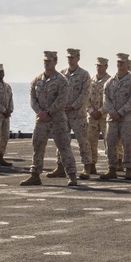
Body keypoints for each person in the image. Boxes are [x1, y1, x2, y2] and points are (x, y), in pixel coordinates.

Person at [20, 50, 79, 187]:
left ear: (55, 62)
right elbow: (32, 99)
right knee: (38, 146)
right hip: (41, 120)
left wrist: (48, 111)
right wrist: (40, 112)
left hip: (57, 119)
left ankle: (71, 175)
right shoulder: (37, 80)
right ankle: (35, 175)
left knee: (64, 147)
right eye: (45, 61)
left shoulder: (62, 80)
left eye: (49, 61)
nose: (46, 63)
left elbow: (62, 99)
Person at [50, 49, 92, 179]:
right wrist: (61, 106)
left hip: (78, 114)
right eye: (69, 57)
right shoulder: (61, 74)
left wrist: (73, 106)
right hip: (62, 114)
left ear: (78, 58)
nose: (70, 59)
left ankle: (87, 168)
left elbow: (85, 94)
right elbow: (56, 92)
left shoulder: (84, 75)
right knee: (61, 141)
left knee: (83, 141)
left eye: (73, 57)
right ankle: (60, 166)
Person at [99, 53, 131, 181]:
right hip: (112, 119)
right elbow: (106, 100)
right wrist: (112, 112)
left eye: (122, 62)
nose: (119, 64)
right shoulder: (109, 82)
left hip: (127, 119)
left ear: (127, 64)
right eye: (118, 62)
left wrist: (120, 113)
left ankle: (128, 169)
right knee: (110, 143)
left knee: (128, 144)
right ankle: (112, 168)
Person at [86, 57, 111, 176]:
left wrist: (100, 111)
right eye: (97, 65)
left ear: (106, 66)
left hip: (105, 116)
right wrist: (91, 110)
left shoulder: (110, 81)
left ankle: (111, 166)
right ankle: (91, 165)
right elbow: (86, 98)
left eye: (101, 65)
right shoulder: (91, 81)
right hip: (92, 117)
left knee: (109, 142)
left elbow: (110, 100)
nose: (98, 67)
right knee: (91, 142)